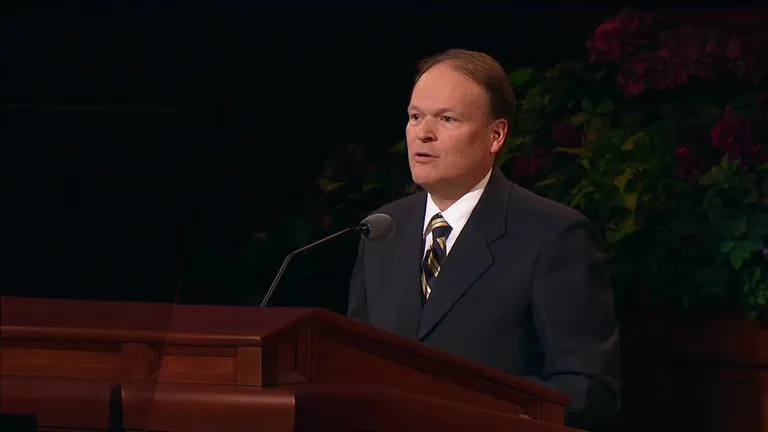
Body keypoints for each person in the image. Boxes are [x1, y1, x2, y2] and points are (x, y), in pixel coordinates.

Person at [347, 49, 621, 431]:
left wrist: (477, 413)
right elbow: (352, 363)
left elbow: (588, 390)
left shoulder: (555, 236)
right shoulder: (382, 229)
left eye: (446, 118)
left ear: (496, 135)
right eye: (415, 116)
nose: (423, 133)